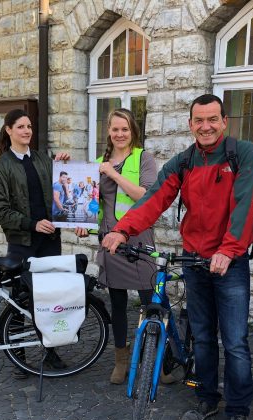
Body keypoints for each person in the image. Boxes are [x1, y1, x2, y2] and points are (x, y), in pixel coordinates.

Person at [102, 95, 253, 420]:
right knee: (201, 334)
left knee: (234, 340)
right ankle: (206, 397)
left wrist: (229, 250)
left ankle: (237, 411)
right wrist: (122, 229)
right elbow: (155, 198)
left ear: (224, 121)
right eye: (199, 120)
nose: (206, 126)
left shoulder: (243, 154)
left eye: (213, 120)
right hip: (195, 259)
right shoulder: (184, 161)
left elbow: (244, 205)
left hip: (229, 262)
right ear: (190, 124)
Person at [75, 108, 158, 385]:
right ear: (108, 132)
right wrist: (83, 224)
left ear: (132, 130)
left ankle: (158, 359)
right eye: (115, 129)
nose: (120, 134)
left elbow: (145, 197)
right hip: (111, 241)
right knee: (119, 304)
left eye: (125, 129)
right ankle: (121, 361)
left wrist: (113, 173)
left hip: (140, 239)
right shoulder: (98, 163)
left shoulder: (143, 158)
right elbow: (93, 205)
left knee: (150, 302)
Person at [0, 108, 70, 373]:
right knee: (20, 297)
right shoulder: (1, 167)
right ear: (9, 130)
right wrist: (32, 224)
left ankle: (51, 351)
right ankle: (17, 355)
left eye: (29, 126)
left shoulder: (43, 160)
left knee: (49, 297)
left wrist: (63, 166)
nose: (27, 131)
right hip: (22, 241)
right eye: (21, 126)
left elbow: (60, 190)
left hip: (49, 240)